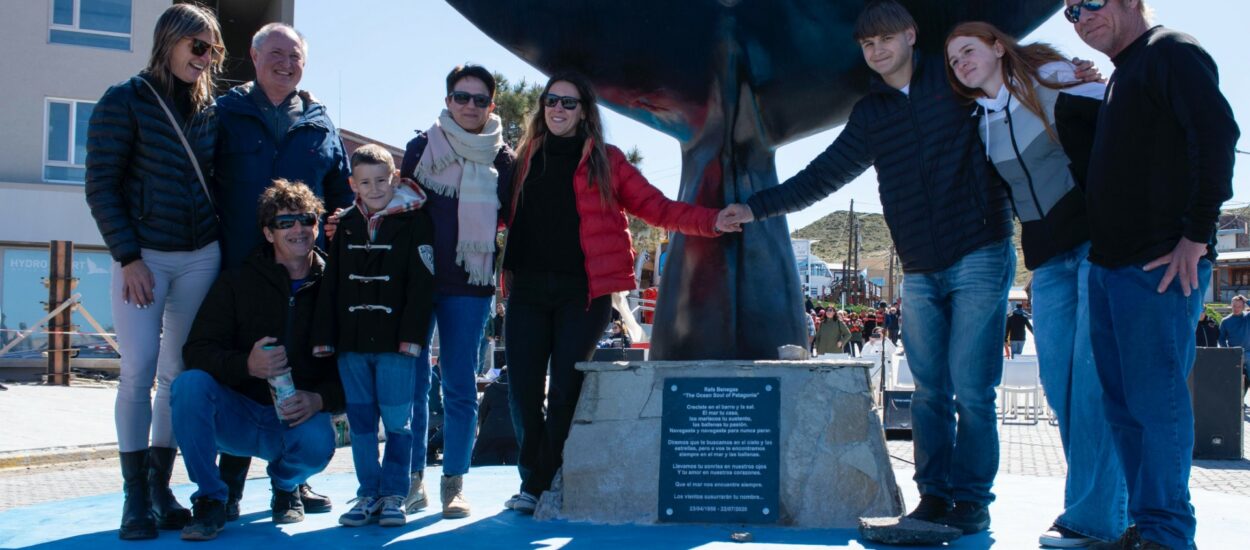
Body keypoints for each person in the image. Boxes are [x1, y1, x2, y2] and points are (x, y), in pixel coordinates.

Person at [716, 0, 1095, 534]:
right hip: (919, 269)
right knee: (929, 392)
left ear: (912, 35)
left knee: (972, 389)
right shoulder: (871, 115)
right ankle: (933, 500)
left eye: (885, 40)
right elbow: (822, 174)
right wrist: (756, 207)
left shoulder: (954, 82)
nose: (877, 51)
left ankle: (972, 502)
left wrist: (1066, 71)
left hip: (981, 253)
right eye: (867, 45)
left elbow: (1012, 70)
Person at [501, 72, 738, 514]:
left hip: (584, 296)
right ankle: (533, 477)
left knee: (566, 389)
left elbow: (658, 207)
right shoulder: (523, 159)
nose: (558, 109)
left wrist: (711, 221)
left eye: (569, 103)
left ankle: (542, 482)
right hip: (528, 293)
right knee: (523, 393)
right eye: (551, 100)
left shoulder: (606, 162)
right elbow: (487, 213)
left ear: (586, 112)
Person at [1065, 1, 1240, 548]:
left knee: (1155, 404)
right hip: (1110, 269)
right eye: (1070, 10)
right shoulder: (1122, 76)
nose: (1081, 16)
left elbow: (1217, 136)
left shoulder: (1172, 51)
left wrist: (1197, 235)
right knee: (1122, 409)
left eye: (1091, 2)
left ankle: (1167, 534)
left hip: (1159, 268)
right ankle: (1147, 525)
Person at [945, 20, 1127, 547]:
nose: (962, 63)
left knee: (1094, 383)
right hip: (1048, 264)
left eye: (969, 51)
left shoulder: (1054, 84)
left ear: (999, 48)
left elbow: (1128, 121)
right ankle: (1115, 509)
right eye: (955, 60)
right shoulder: (982, 122)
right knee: (1062, 388)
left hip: (1097, 247)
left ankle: (1092, 520)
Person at [84, 4, 225, 540]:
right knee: (138, 370)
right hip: (143, 256)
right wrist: (128, 257)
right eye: (196, 45)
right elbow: (100, 185)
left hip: (201, 255)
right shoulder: (124, 100)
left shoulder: (211, 109)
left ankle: (161, 487)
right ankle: (134, 496)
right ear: (168, 40)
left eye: (212, 49)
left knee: (176, 374)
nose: (205, 57)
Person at [212, 21, 350, 517]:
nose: (286, 63)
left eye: (295, 57)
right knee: (242, 367)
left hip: (302, 274)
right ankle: (227, 486)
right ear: (253, 56)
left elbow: (340, 197)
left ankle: (290, 484)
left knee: (300, 367)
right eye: (276, 54)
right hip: (238, 270)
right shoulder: (224, 113)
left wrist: (336, 250)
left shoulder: (319, 122)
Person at [173, 180, 344, 541]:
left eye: (306, 220)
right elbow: (196, 350)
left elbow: (354, 365)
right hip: (237, 416)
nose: (298, 229)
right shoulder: (237, 282)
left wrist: (319, 399)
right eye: (285, 223)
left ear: (317, 225)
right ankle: (209, 499)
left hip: (295, 420)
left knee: (319, 442)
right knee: (188, 387)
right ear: (268, 233)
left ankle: (285, 486)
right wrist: (246, 365)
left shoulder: (337, 286)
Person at [398, 64, 516, 519]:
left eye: (480, 99)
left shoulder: (503, 159)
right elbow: (401, 210)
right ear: (448, 100)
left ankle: (454, 483)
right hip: (419, 280)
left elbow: (509, 219)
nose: (470, 106)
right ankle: (413, 480)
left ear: (491, 105)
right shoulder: (419, 148)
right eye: (461, 97)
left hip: (470, 283)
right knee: (413, 384)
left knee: (461, 386)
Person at [309, 145, 434, 528]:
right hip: (352, 346)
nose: (375, 187)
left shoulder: (416, 220)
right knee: (361, 424)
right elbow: (331, 283)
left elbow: (422, 284)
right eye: (365, 182)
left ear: (395, 179)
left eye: (382, 180)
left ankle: (395, 493)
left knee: (398, 423)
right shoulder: (344, 224)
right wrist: (325, 337)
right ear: (353, 185)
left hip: (398, 347)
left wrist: (412, 339)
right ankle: (367, 493)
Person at [1218, 295, 1249, 391]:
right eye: (1234, 306)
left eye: (1239, 306)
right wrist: (1228, 351)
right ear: (1231, 305)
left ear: (1243, 307)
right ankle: (1239, 403)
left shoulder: (1248, 317)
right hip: (1234, 356)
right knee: (1235, 382)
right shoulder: (1225, 321)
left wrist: (1246, 300)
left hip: (1249, 354)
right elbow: (1221, 339)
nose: (1236, 308)